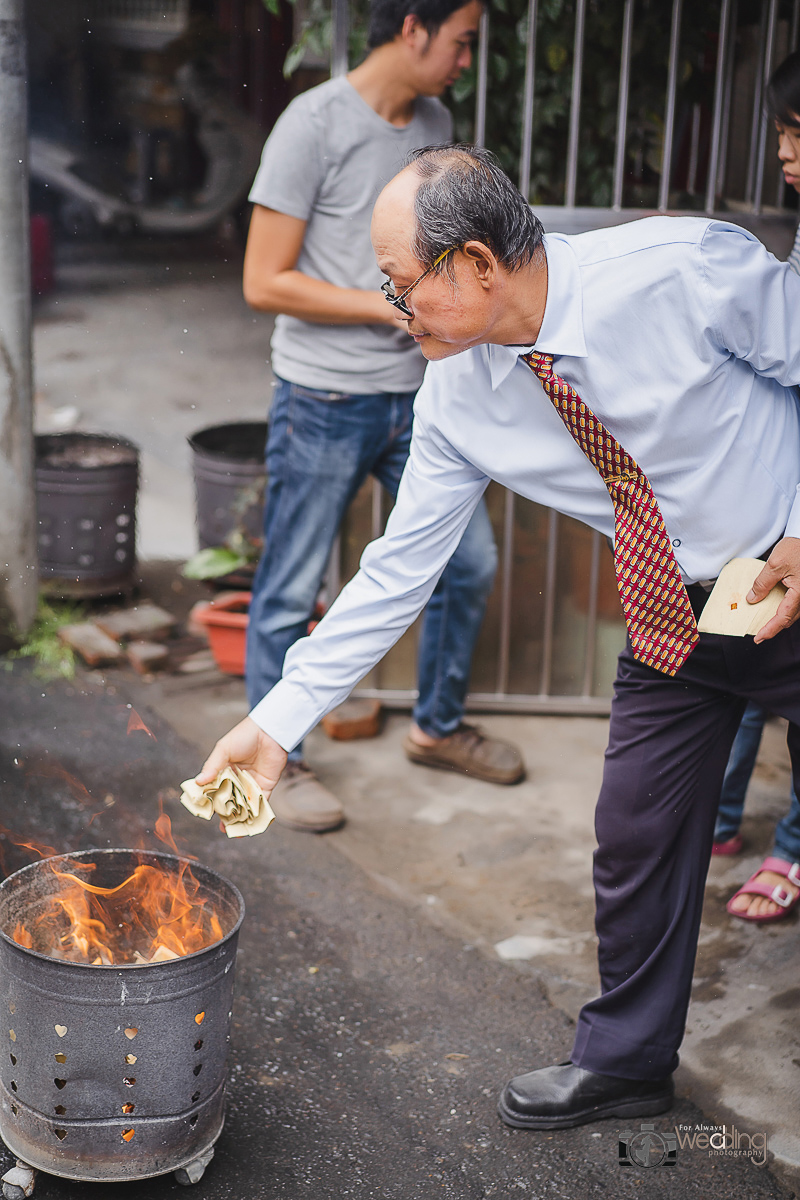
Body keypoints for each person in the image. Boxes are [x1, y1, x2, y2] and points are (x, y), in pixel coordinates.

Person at [198, 145, 800, 1129]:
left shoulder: (684, 272)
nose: (396, 314)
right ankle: (625, 1063)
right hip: (669, 613)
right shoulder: (456, 393)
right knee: (634, 836)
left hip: (786, 568)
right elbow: (397, 570)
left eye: (401, 289)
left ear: (474, 263)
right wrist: (275, 721)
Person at [242, 0, 523, 835]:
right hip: (324, 397)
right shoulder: (311, 124)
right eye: (462, 41)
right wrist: (388, 304)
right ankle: (276, 758)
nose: (467, 59)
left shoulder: (434, 121)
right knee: (292, 583)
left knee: (466, 565)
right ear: (412, 28)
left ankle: (436, 726)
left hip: (425, 400)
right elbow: (264, 281)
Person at [710, 49, 800, 923]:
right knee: (738, 648)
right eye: (782, 129)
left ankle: (795, 848)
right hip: (775, 479)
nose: (786, 152)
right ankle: (722, 818)